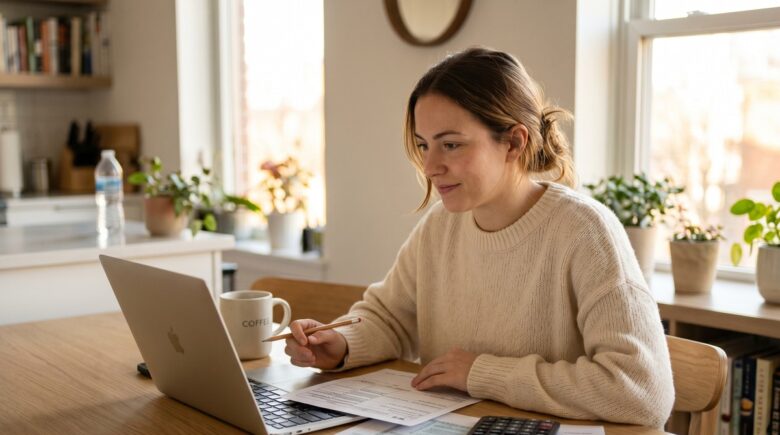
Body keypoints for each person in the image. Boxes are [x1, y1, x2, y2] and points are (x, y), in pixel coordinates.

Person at [284, 47, 674, 428]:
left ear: (514, 142)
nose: (431, 166)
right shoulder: (440, 226)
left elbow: (641, 390)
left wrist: (481, 373)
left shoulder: (586, 232)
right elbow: (390, 318)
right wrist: (342, 343)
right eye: (424, 145)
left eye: (451, 144)